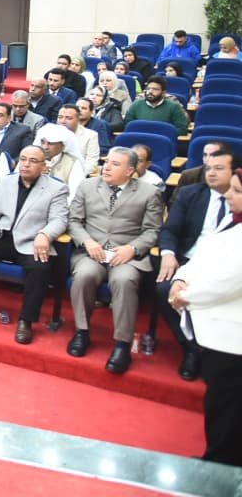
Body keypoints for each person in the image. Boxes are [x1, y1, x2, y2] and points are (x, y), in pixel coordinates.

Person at [166, 167, 242, 467]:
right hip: (215, 330)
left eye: (237, 191)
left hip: (232, 337)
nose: (228, 195)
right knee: (220, 401)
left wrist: (185, 297)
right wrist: (180, 279)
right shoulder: (232, 221)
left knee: (226, 405)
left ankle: (219, 465)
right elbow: (202, 256)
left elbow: (229, 281)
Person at [67, 147, 164, 374]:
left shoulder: (149, 192)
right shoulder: (87, 186)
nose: (106, 167)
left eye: (115, 164)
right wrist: (87, 242)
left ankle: (122, 343)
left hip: (127, 255)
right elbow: (74, 221)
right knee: (84, 276)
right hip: (93, 251)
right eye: (106, 161)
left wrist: (133, 248)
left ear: (130, 171)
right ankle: (82, 332)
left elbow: (153, 230)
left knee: (124, 280)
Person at [0, 145, 70, 343]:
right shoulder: (3, 182)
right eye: (23, 159)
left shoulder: (57, 188)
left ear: (43, 166)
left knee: (40, 268)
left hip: (32, 240)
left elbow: (59, 219)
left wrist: (45, 234)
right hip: (1, 236)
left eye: (33, 161)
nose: (26, 164)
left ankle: (26, 320)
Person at [157, 146, 236, 381]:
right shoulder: (190, 193)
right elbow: (170, 229)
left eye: (219, 168)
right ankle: (191, 347)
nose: (211, 173)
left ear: (235, 173)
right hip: (188, 260)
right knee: (164, 287)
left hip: (228, 265)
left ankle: (216, 349)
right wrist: (168, 254)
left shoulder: (238, 201)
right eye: (208, 168)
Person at [124, 75, 189, 136]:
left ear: (163, 93)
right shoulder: (136, 104)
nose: (150, 92)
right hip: (139, 139)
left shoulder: (174, 106)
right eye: (148, 88)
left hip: (163, 141)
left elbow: (182, 129)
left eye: (155, 89)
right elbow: (128, 126)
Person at [35, 122, 86, 197]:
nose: (45, 147)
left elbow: (75, 193)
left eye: (50, 143)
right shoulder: (31, 157)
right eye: (42, 142)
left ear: (63, 145)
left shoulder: (72, 163)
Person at [57, 104, 100, 175]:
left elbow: (92, 162)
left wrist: (74, 174)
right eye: (60, 117)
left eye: (69, 118)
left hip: (76, 174)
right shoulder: (50, 133)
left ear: (78, 119)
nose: (63, 121)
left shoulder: (91, 135)